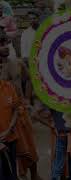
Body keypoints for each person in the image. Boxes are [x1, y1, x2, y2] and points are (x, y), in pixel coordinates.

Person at [0, 31, 22, 180]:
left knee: (12, 172)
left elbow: (16, 109)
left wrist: (8, 130)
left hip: (11, 136)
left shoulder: (8, 87)